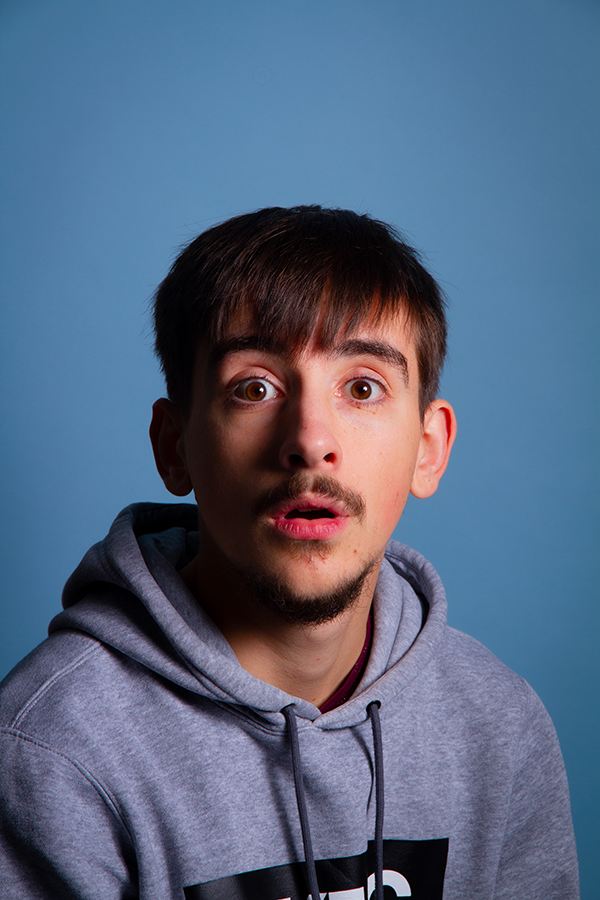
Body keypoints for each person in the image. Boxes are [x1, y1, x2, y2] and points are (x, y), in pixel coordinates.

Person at [0, 206, 578, 899]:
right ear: (174, 445)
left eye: (362, 388)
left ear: (429, 449)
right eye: (255, 388)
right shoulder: (50, 750)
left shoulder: (499, 724)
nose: (309, 438)